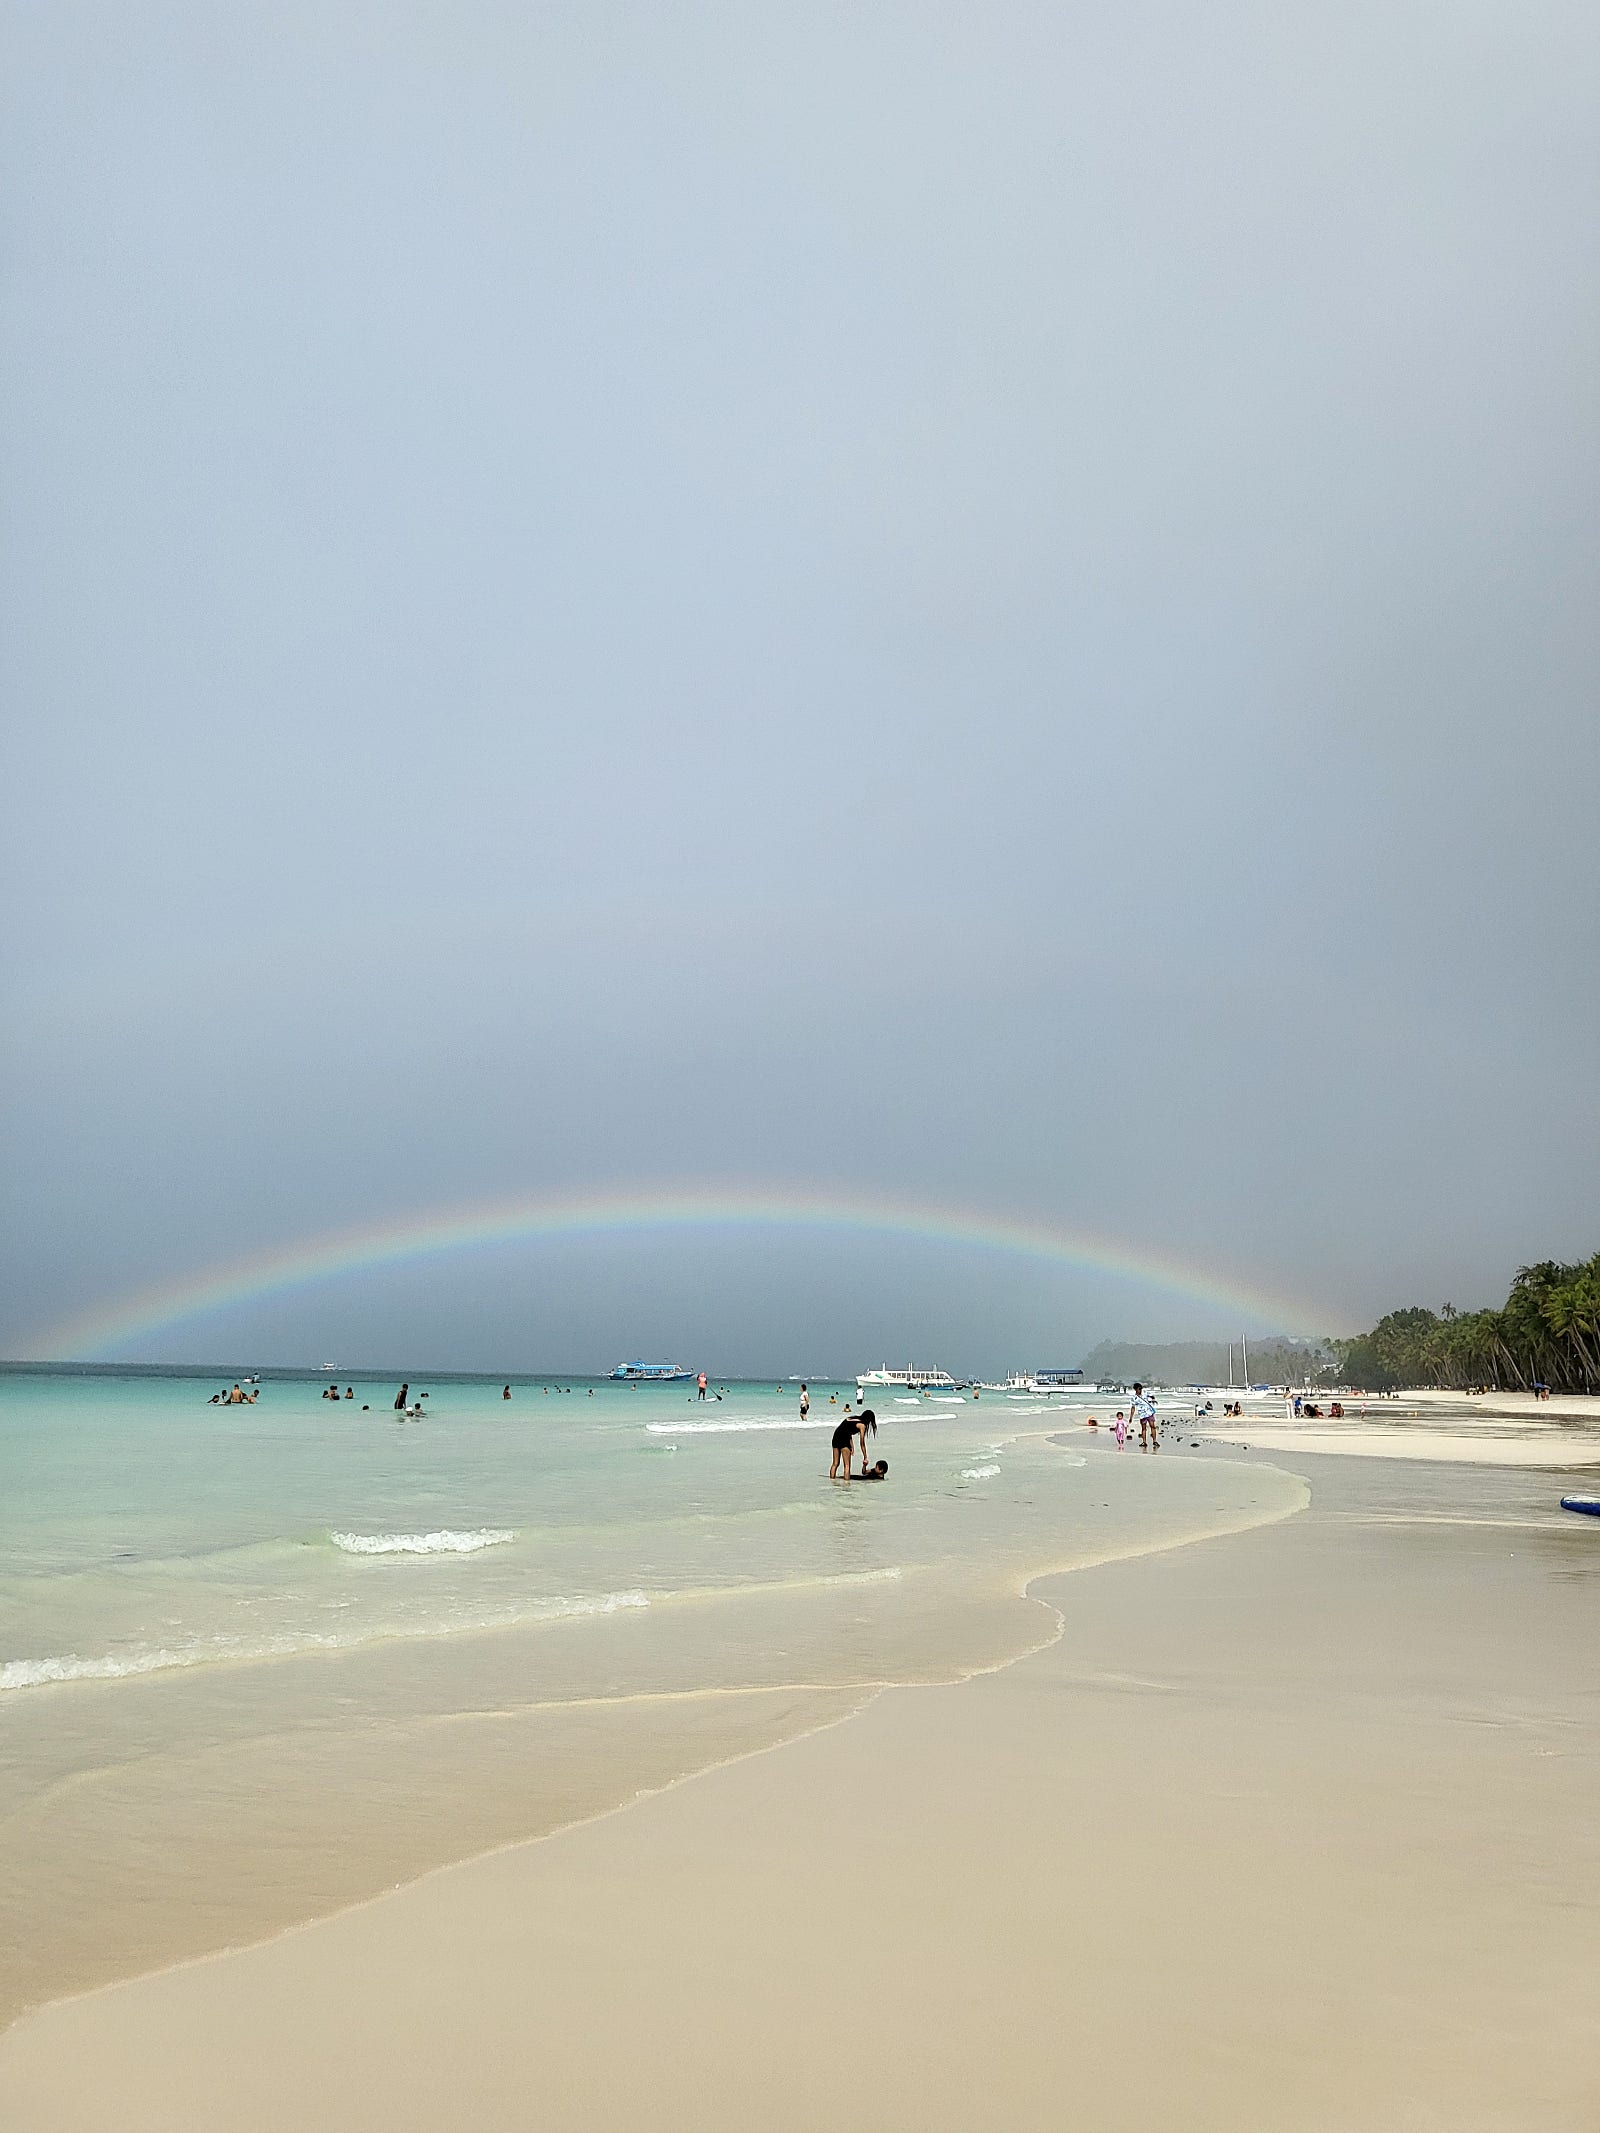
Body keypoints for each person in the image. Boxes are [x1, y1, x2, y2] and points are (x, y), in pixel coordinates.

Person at [830, 1407, 876, 1479]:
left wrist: (852, 1447)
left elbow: (846, 1431)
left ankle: (831, 1482)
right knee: (847, 1465)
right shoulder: (862, 1425)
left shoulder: (852, 1418)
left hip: (836, 1437)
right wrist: (865, 1456)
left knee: (835, 1463)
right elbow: (862, 1443)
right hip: (844, 1439)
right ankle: (846, 1485)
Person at [1130, 1382, 1157, 1450]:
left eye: (1141, 1388)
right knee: (1143, 1428)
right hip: (1142, 1414)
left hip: (1149, 1412)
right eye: (1139, 1389)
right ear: (1135, 1389)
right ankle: (1144, 1442)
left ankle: (1155, 1441)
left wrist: (1153, 1400)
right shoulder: (1134, 1398)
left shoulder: (1145, 1392)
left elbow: (1152, 1396)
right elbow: (1133, 1407)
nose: (1140, 1390)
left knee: (1152, 1426)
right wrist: (1131, 1417)